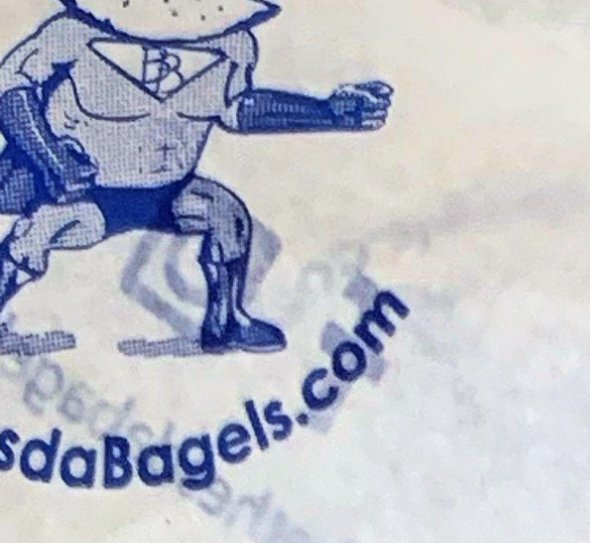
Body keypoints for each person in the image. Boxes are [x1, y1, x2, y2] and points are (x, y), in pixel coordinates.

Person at [0, 0, 389, 355]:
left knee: (227, 218)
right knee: (35, 236)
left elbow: (238, 109)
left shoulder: (232, 45)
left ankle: (226, 322)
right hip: (86, 191)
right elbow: (12, 88)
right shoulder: (76, 33)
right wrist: (51, 159)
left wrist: (327, 113)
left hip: (168, 191)